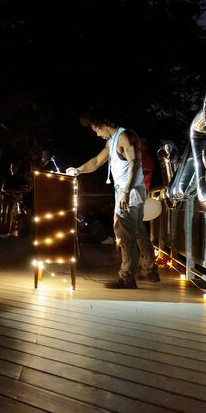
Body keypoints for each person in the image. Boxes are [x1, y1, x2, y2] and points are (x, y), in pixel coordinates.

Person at [67, 115, 160, 288]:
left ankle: (127, 277)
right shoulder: (112, 142)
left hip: (129, 191)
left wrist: (125, 191)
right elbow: (96, 161)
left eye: (95, 130)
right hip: (128, 190)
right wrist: (78, 170)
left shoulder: (125, 136)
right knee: (138, 231)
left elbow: (135, 164)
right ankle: (150, 270)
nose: (96, 134)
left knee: (125, 234)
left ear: (103, 124)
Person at [1, 163, 24, 234]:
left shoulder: (19, 178)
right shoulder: (7, 177)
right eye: (12, 167)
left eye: (14, 167)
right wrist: (9, 192)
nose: (13, 169)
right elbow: (2, 188)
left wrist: (15, 193)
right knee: (3, 212)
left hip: (14, 197)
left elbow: (22, 190)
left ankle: (8, 229)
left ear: (16, 169)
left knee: (9, 212)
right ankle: (3, 228)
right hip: (7, 196)